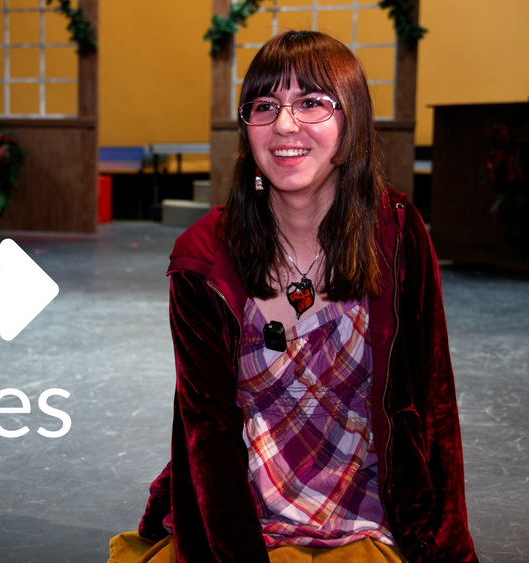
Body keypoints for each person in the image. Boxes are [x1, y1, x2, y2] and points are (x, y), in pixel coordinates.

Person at [108, 30, 477, 563]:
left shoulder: (396, 233)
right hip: (243, 525)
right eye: (264, 105)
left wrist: (451, 551)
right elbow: (206, 433)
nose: (284, 125)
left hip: (364, 521)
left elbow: (434, 406)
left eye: (310, 102)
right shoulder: (206, 256)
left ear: (351, 117)